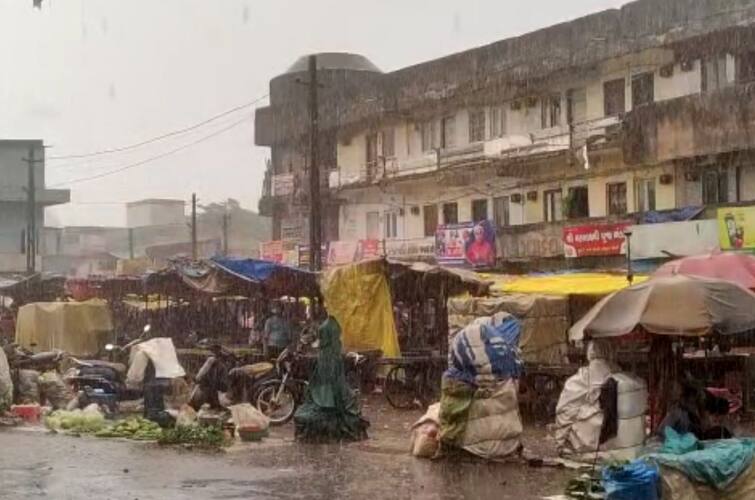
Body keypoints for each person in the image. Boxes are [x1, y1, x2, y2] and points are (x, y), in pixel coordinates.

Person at [293, 313, 369, 442]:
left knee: (325, 393)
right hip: (333, 365)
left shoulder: (327, 331)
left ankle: (328, 412)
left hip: (327, 367)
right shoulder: (334, 330)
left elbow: (322, 343)